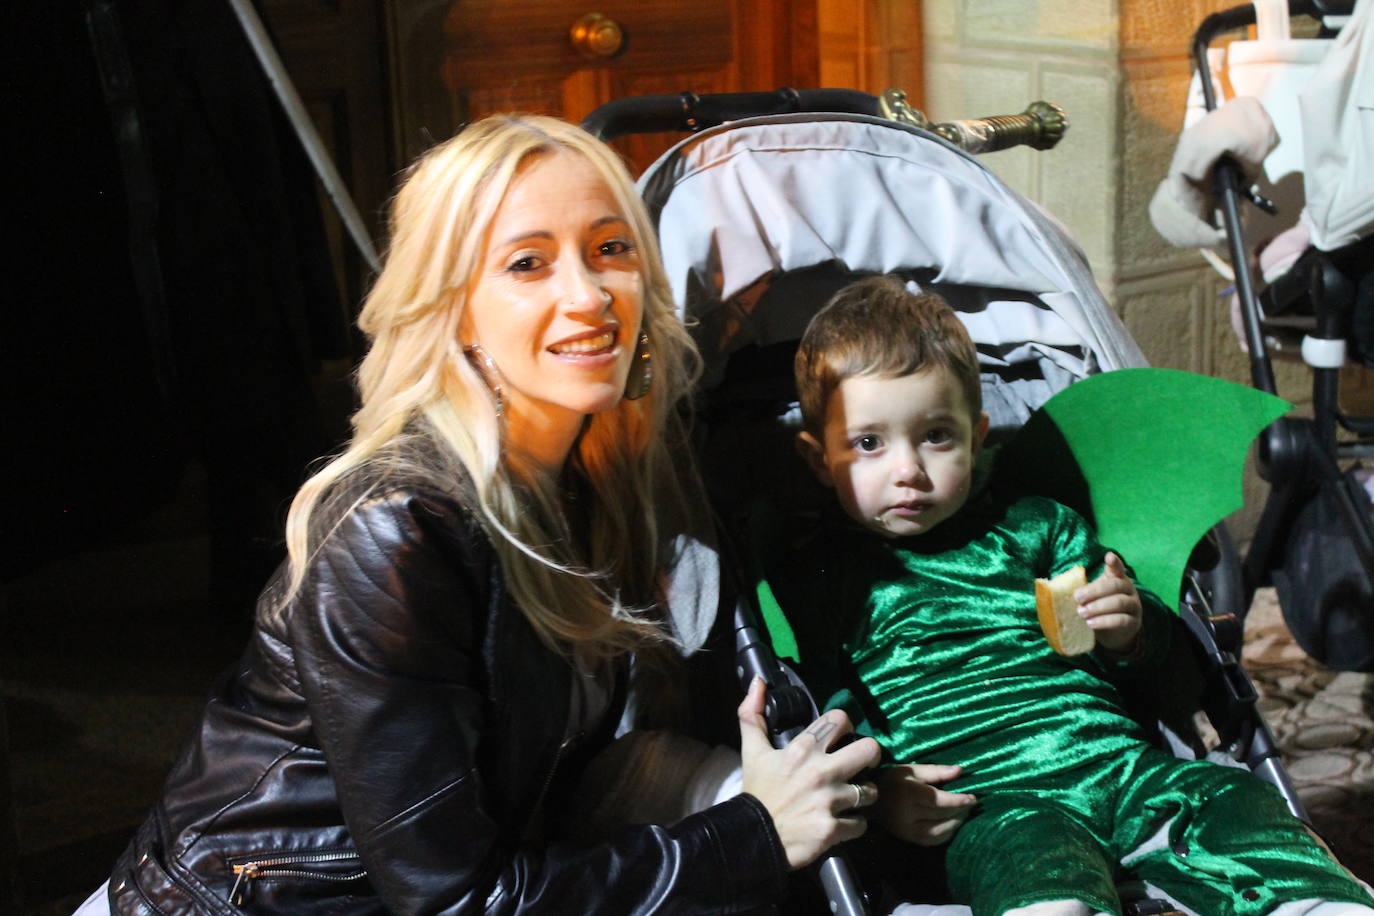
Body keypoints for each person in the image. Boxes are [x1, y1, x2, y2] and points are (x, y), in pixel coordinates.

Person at [79, 114, 885, 915]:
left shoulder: (597, 475)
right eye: (527, 264)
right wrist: (751, 833)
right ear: (456, 307)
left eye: (612, 249)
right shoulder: (395, 527)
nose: (589, 295)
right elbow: (455, 900)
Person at [772, 274, 1374, 916]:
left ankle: (1313, 903)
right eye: (869, 444)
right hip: (981, 804)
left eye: (937, 436)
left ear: (978, 437)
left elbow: (1154, 676)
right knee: (1032, 858)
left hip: (1114, 763)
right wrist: (879, 792)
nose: (908, 470)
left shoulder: (1039, 525)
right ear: (818, 460)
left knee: (1227, 796)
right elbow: (824, 717)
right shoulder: (826, 575)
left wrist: (1129, 628)